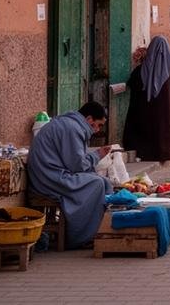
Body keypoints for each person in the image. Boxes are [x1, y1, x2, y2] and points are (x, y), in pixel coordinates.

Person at [27, 101, 111, 249]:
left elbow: (74, 161)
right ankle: (82, 236)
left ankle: (104, 228)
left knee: (103, 182)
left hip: (52, 174)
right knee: (97, 184)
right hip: (50, 178)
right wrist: (97, 155)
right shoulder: (72, 128)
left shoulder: (70, 124)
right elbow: (77, 165)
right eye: (98, 125)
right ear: (89, 119)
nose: (97, 130)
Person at [122, 35, 170, 163]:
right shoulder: (169, 68)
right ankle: (164, 151)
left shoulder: (144, 70)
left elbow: (135, 81)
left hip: (145, 117)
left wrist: (139, 62)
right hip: (165, 115)